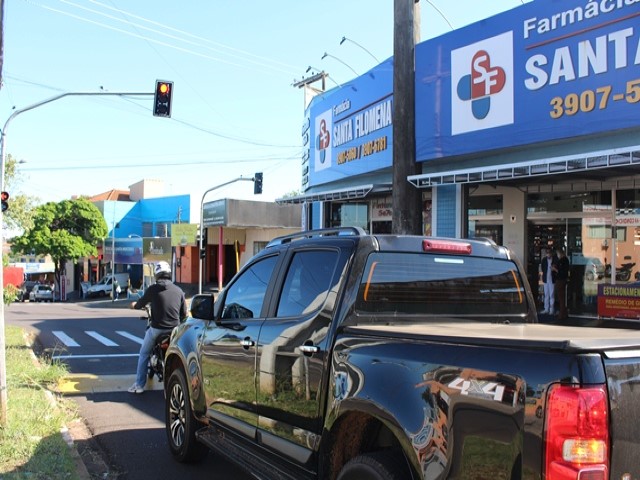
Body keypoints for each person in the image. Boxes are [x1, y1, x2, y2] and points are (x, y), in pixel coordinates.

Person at [128, 261, 187, 394]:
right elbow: (184, 314)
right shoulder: (179, 291)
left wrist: (133, 305)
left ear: (157, 275)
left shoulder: (153, 289)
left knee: (143, 353)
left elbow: (140, 304)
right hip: (174, 330)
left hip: (156, 329)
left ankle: (139, 385)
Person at [540, 248, 558, 315]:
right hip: (545, 279)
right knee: (546, 294)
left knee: (552, 294)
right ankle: (546, 308)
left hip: (552, 279)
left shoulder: (555, 260)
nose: (548, 254)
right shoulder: (544, 260)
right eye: (547, 252)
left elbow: (557, 268)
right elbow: (542, 268)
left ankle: (551, 309)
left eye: (549, 252)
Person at [555, 248, 570, 320]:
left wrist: (555, 270)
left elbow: (562, 271)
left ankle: (562, 313)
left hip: (561, 280)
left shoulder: (563, 261)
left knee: (561, 297)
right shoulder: (565, 260)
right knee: (562, 297)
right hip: (562, 279)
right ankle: (564, 312)